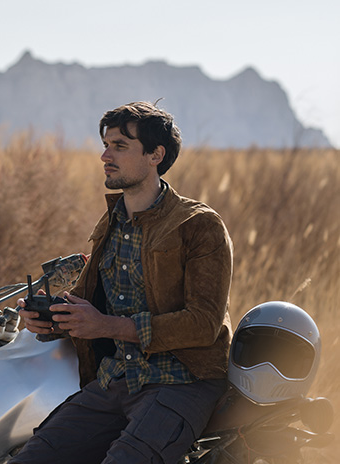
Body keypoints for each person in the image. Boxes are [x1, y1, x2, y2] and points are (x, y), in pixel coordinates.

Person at [12, 101, 233, 463]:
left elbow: (204, 323)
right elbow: (87, 307)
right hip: (115, 380)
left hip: (181, 382)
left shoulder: (198, 225)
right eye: (105, 145)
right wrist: (50, 320)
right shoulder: (110, 222)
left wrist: (106, 326)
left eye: (119, 146)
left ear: (155, 155)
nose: (105, 156)